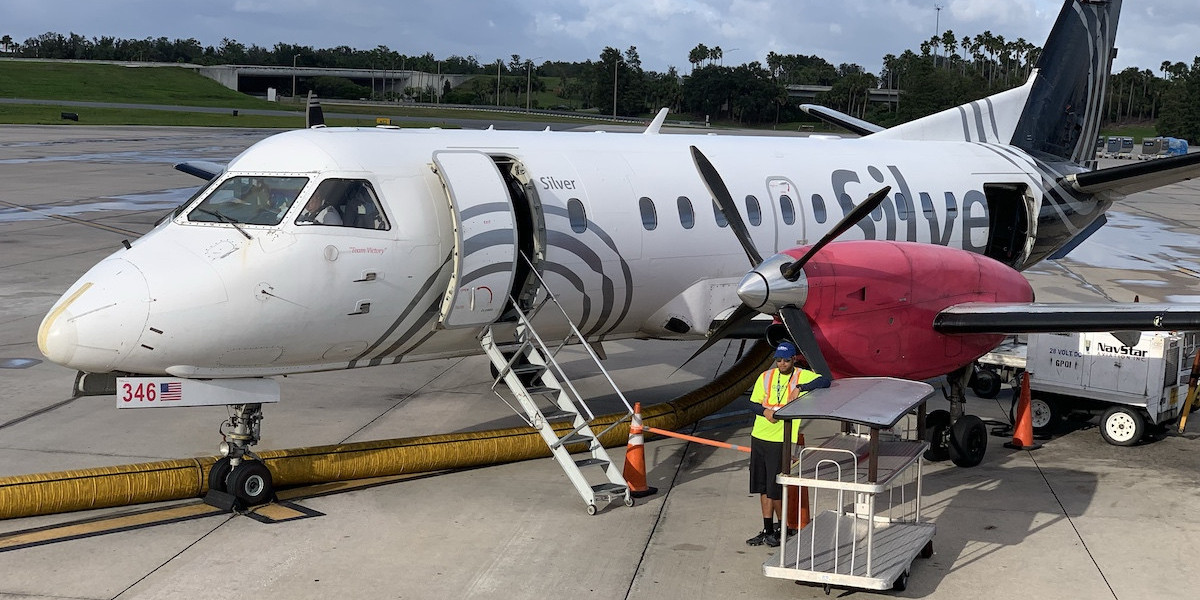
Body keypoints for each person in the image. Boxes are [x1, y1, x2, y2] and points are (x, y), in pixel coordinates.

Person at [745, 340, 829, 547]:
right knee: (763, 487)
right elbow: (753, 403)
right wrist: (765, 411)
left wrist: (800, 388)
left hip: (781, 439)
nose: (781, 364)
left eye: (786, 360)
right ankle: (767, 528)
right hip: (760, 435)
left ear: (794, 360)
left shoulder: (801, 375)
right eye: (778, 360)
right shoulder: (766, 377)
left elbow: (826, 381)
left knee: (776, 488)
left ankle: (783, 528)